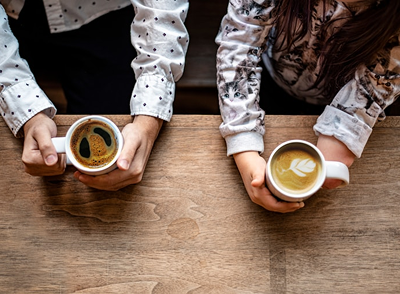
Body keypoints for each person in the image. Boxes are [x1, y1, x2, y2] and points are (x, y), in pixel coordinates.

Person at [215, 0, 400, 213]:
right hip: (268, 82)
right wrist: (243, 145)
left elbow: (377, 83)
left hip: (343, 98)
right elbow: (239, 44)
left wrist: (344, 134)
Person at [0, 0, 189, 191]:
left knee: (117, 130)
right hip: (11, 24)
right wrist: (28, 114)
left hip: (105, 17)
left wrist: (147, 124)